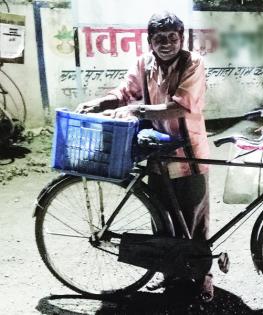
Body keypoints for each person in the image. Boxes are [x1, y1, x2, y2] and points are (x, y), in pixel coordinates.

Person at [76, 11, 213, 302]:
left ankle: (202, 277)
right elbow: (126, 92)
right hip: (157, 153)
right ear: (150, 42)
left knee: (193, 220)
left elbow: (180, 107)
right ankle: (169, 275)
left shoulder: (193, 64)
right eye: (159, 39)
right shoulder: (143, 63)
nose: (166, 44)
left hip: (188, 153)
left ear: (181, 39)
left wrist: (136, 110)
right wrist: (100, 102)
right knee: (160, 217)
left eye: (172, 38)